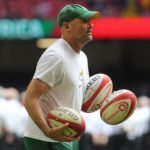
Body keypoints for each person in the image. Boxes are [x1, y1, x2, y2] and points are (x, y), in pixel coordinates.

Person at [23, 4, 100, 150]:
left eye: (90, 21)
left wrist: (104, 100)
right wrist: (47, 130)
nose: (90, 25)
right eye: (84, 21)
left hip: (66, 135)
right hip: (45, 137)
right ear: (66, 27)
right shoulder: (56, 55)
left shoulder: (82, 57)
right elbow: (29, 98)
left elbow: (80, 101)